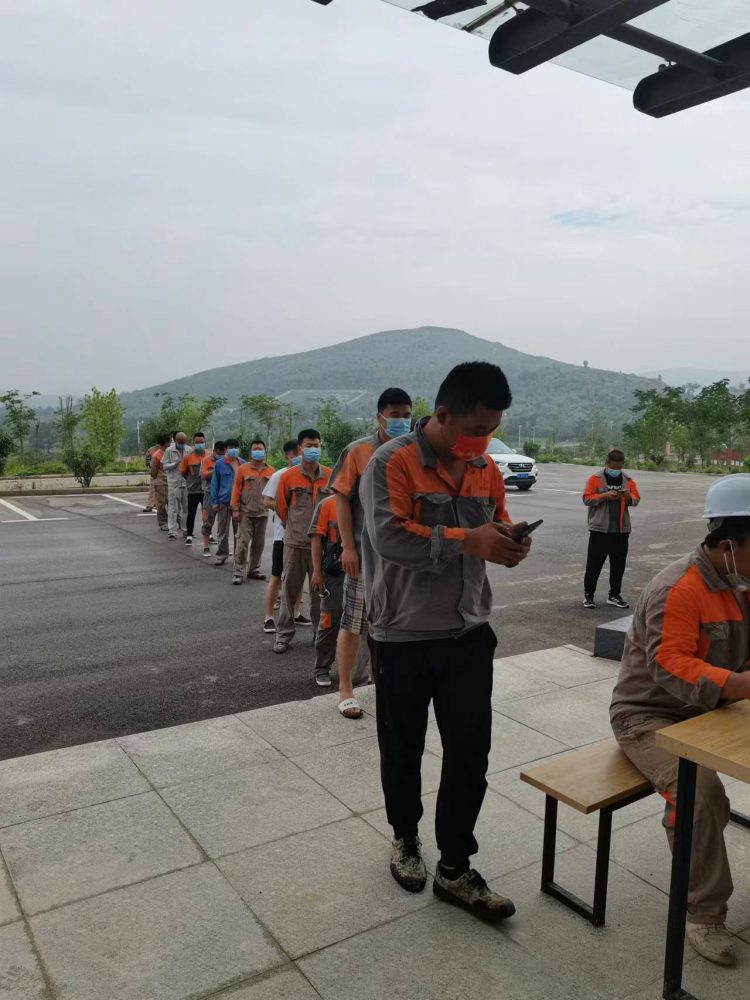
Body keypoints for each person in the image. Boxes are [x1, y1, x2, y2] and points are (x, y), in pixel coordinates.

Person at [360, 361, 531, 922]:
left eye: (493, 429)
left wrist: (507, 541)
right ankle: (405, 838)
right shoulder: (392, 462)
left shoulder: (485, 468)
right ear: (443, 414)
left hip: (468, 633)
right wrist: (468, 540)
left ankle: (455, 868)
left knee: (470, 754)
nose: (484, 441)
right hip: (403, 634)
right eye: (477, 429)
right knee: (402, 747)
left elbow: (495, 524)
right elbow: (390, 538)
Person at [610, 474, 750, 968]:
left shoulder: (739, 582)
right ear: (729, 545)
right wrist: (741, 686)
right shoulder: (679, 587)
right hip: (649, 717)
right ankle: (703, 913)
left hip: (708, 708)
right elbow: (669, 665)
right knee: (700, 794)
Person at [329, 388, 413, 715]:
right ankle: (345, 689)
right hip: (364, 558)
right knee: (353, 622)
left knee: (396, 624)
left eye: (407, 416)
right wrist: (348, 547)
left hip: (401, 559)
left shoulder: (413, 451)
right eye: (395, 416)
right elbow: (341, 498)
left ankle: (387, 681)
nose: (402, 421)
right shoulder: (358, 451)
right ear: (379, 417)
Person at [273, 429, 331, 654]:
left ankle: (320, 634)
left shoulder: (330, 475)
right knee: (289, 590)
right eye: (309, 445)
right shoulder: (288, 477)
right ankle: (283, 635)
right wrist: (295, 528)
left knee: (320, 594)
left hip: (323, 546)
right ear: (300, 449)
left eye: (316, 445)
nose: (313, 449)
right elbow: (281, 508)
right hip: (295, 543)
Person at [582, 449, 640, 609]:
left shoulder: (628, 480)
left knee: (618, 565)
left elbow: (636, 498)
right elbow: (586, 499)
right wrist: (605, 496)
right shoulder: (595, 479)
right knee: (594, 565)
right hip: (600, 530)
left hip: (621, 531)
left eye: (619, 467)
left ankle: (614, 595)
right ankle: (589, 595)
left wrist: (627, 497)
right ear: (606, 464)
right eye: (613, 467)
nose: (616, 470)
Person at [261, 440, 307, 634]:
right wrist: (288, 509)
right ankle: (269, 617)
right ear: (289, 455)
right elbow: (267, 501)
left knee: (299, 577)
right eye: (298, 452)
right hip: (283, 536)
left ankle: (296, 613)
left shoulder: (308, 476)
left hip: (303, 536)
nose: (302, 455)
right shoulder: (279, 475)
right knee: (276, 576)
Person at [310, 493, 344, 688]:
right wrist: (317, 572)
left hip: (361, 571)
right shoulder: (327, 505)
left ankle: (360, 672)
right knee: (330, 621)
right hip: (334, 574)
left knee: (364, 625)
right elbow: (316, 538)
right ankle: (322, 667)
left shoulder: (366, 500)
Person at [230, 440, 275, 585]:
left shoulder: (271, 471)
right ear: (250, 452)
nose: (258, 451)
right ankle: (238, 572)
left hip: (262, 513)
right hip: (245, 513)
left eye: (260, 449)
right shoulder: (243, 469)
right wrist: (235, 509)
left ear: (265, 451)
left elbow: (275, 493)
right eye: (255, 449)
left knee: (259, 544)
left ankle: (253, 570)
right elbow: (236, 490)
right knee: (242, 543)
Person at [210, 438, 243, 565]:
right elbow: (214, 483)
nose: (234, 449)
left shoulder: (243, 464)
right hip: (223, 501)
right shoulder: (219, 464)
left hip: (239, 503)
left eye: (236, 447)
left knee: (239, 532)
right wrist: (214, 501)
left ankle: (238, 557)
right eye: (231, 447)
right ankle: (221, 555)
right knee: (222, 531)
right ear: (226, 449)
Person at [161, 431, 191, 539]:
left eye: (184, 442)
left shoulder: (189, 450)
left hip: (186, 483)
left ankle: (186, 529)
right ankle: (172, 530)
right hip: (174, 483)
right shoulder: (169, 450)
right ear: (176, 440)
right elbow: (164, 466)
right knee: (173, 508)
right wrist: (175, 463)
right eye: (180, 442)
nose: (182, 444)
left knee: (186, 508)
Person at [180, 431, 208, 546]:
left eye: (201, 442)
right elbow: (183, 472)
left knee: (206, 514)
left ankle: (208, 534)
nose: (199, 444)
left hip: (206, 490)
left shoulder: (209, 456)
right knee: (191, 514)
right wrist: (190, 481)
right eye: (197, 442)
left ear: (205, 442)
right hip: (192, 490)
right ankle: (189, 535)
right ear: (193, 443)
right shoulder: (188, 458)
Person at [200, 440, 223, 557]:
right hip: (209, 494)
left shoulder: (227, 461)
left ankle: (222, 547)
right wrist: (217, 469)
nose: (221, 455)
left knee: (223, 523)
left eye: (223, 453)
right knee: (208, 521)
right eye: (219, 452)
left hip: (223, 494)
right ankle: (206, 547)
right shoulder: (206, 460)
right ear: (214, 451)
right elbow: (203, 475)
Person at [149, 434, 170, 530]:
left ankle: (174, 521)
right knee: (161, 504)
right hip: (160, 483)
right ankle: (163, 522)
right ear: (166, 443)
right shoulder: (157, 455)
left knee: (172, 503)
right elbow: (153, 472)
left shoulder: (169, 453)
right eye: (169, 442)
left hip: (170, 482)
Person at [143, 442, 161, 512]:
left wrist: (151, 465)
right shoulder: (167, 449)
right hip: (161, 473)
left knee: (153, 489)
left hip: (155, 472)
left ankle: (151, 505)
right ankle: (152, 504)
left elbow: (147, 461)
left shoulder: (151, 450)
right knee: (156, 489)